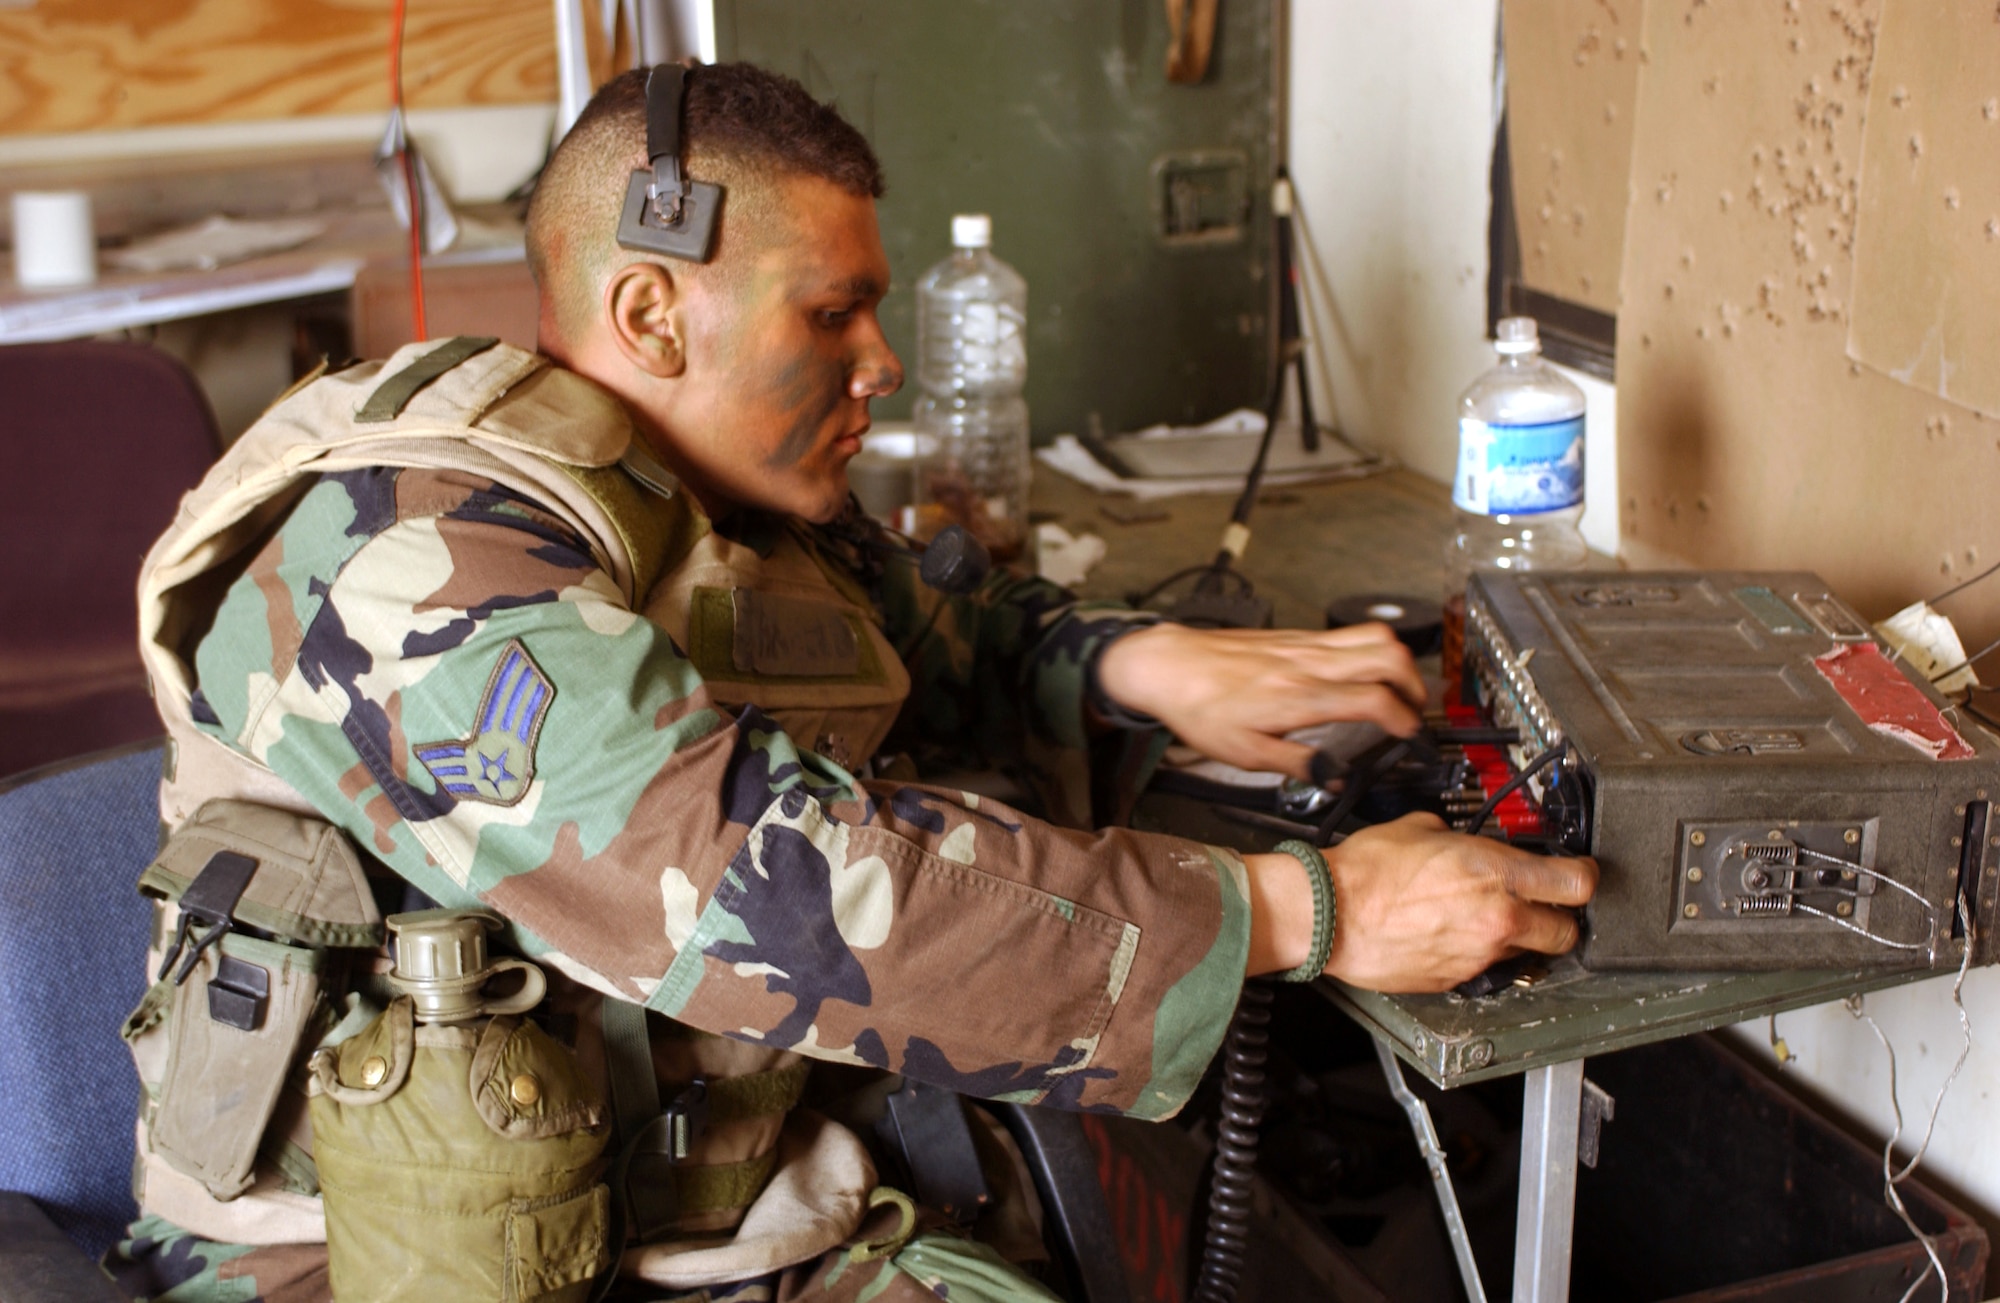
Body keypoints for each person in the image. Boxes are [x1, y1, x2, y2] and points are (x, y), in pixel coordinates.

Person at [110, 62, 1596, 1301]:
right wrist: (1306, 916)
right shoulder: (402, 555)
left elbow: (923, 624)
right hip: (369, 1256)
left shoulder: (682, 491)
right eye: (833, 315)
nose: (882, 362)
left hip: (697, 1203)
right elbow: (769, 881)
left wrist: (1139, 660)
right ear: (649, 314)